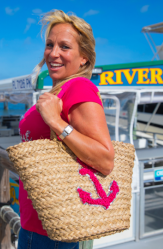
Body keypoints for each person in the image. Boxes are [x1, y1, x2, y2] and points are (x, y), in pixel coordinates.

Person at [18, 10, 114, 249]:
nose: (53, 53)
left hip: (51, 229)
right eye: (49, 45)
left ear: (83, 58)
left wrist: (57, 123)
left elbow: (105, 159)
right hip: (37, 220)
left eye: (65, 47)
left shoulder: (79, 88)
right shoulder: (57, 91)